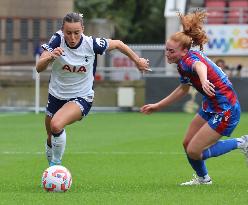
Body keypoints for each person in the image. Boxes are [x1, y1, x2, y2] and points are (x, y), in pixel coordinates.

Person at [140, 10, 248, 185]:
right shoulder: (182, 63)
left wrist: (204, 81)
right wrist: (158, 106)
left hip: (226, 108)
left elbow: (199, 65)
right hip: (211, 105)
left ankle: (242, 142)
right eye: (166, 50)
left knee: (194, 151)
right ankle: (203, 179)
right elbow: (183, 90)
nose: (167, 54)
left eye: (171, 51)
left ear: (183, 51)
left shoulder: (188, 60)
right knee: (187, 144)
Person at [36, 12, 150, 166]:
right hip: (56, 96)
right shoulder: (57, 40)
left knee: (56, 125)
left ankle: (56, 166)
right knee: (50, 136)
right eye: (68, 33)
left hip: (81, 97)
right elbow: (39, 67)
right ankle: (51, 171)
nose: (72, 37)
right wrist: (50, 57)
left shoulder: (92, 44)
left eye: (76, 32)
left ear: (82, 29)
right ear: (62, 31)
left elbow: (118, 44)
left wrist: (137, 60)